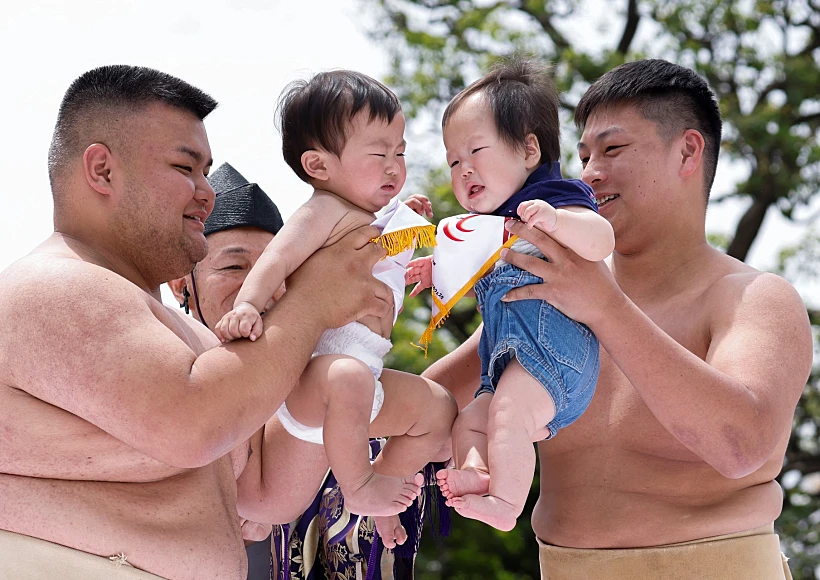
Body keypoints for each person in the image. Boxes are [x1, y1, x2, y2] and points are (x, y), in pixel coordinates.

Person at [0, 65, 395, 580]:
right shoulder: (52, 286)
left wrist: (350, 343)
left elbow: (262, 488)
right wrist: (314, 298)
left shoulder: (192, 338)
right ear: (101, 170)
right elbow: (192, 424)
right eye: (185, 168)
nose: (206, 192)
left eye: (205, 171)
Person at [422, 59, 812, 579]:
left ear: (688, 151)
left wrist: (605, 306)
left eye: (613, 149)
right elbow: (430, 408)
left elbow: (740, 446)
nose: (589, 173)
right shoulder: (545, 285)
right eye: (583, 155)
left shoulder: (754, 298)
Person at [168, 162, 446, 580]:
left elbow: (447, 406)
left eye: (281, 272)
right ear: (181, 284)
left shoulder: (330, 377)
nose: (261, 288)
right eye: (233, 267)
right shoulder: (168, 361)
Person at [214, 70, 456, 528]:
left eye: (400, 152)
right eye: (378, 153)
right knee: (348, 377)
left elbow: (374, 264)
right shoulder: (322, 210)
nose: (394, 166)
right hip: (318, 384)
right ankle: (359, 487)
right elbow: (276, 259)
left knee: (439, 409)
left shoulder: (369, 220)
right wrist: (247, 303)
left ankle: (383, 490)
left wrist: (409, 229)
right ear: (319, 166)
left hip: (368, 376)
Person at [405, 57, 614, 532]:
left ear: (528, 150)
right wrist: (432, 267)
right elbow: (464, 271)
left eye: (476, 150)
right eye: (453, 160)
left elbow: (602, 241)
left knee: (505, 412)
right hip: (507, 361)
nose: (464, 169)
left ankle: (506, 503)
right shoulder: (484, 230)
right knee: (472, 419)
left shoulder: (555, 198)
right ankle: (478, 473)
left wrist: (556, 222)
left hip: (560, 354)